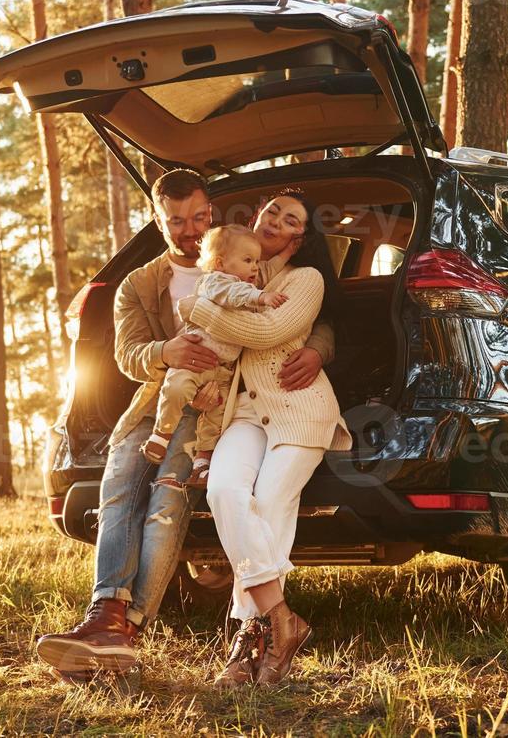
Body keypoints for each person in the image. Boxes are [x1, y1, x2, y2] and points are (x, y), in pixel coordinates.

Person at [34, 171, 333, 678]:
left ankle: (130, 627)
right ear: (158, 219)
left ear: (211, 213)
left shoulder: (247, 260)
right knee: (117, 491)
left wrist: (321, 347)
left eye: (199, 217)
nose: (191, 229)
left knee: (167, 500)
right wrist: (164, 351)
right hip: (155, 401)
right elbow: (126, 354)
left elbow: (298, 318)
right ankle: (106, 614)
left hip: (215, 407)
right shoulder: (141, 281)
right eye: (177, 220)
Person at [193, 190, 352, 689]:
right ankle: (282, 621)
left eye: (289, 220)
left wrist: (198, 310)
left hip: (301, 411)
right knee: (223, 492)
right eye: (271, 212)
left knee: (267, 502)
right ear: (257, 218)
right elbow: (221, 311)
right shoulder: (236, 271)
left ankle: (247, 640)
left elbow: (268, 331)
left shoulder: (306, 279)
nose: (276, 221)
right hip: (244, 411)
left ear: (299, 236)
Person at [145, 224, 288, 484]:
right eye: (247, 260)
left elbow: (267, 272)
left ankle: (202, 462)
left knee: (218, 416)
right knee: (176, 387)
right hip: (195, 358)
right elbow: (233, 294)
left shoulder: (246, 287)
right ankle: (161, 435)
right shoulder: (215, 282)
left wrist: (287, 253)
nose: (255, 267)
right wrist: (261, 297)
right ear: (221, 263)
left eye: (257, 260)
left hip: (223, 370)